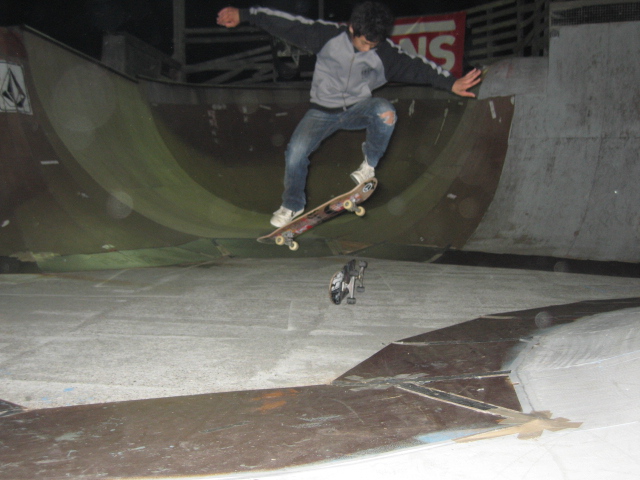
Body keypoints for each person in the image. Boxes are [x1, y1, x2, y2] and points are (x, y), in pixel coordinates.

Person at [217, 2, 482, 227]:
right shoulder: (326, 36)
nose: (368, 49)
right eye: (364, 43)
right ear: (352, 29)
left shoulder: (385, 53)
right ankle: (292, 205)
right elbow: (287, 24)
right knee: (295, 153)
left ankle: (368, 167)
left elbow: (417, 67)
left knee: (386, 112)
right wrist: (245, 14)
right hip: (321, 112)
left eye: (373, 45)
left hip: (358, 109)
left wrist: (451, 83)